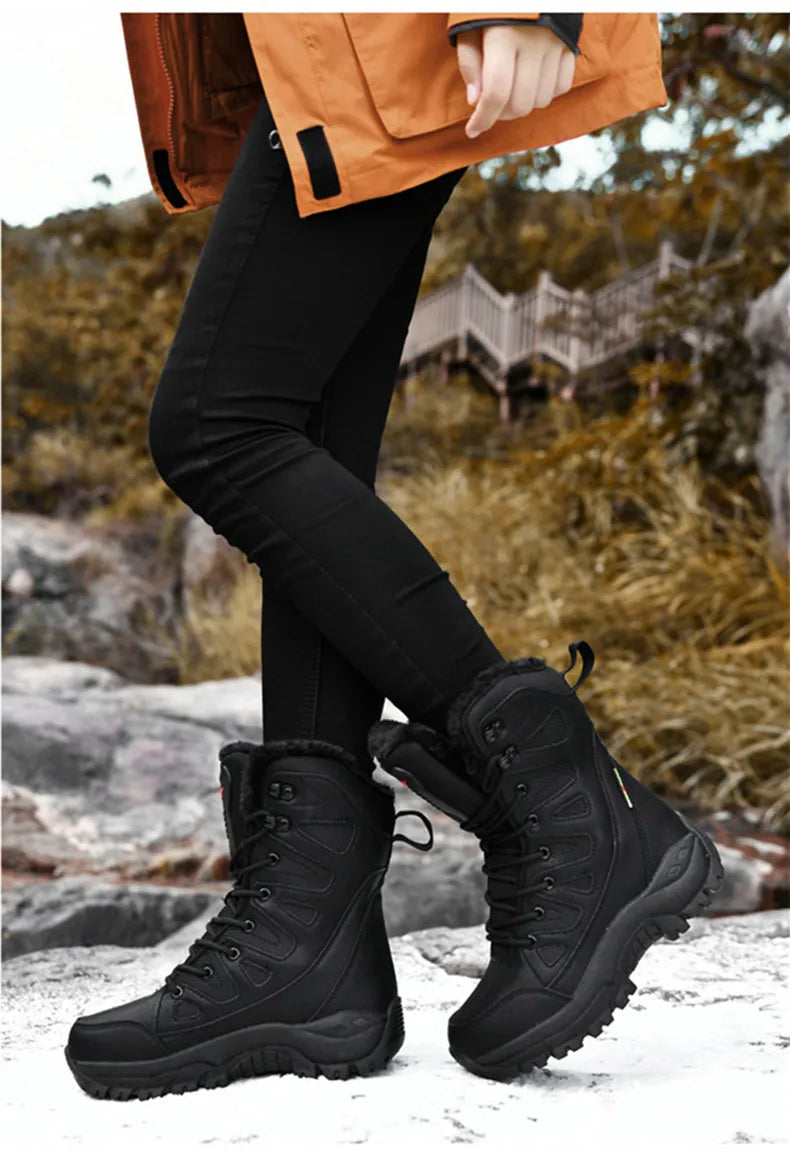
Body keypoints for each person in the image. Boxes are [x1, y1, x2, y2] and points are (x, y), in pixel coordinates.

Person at [64, 13, 722, 1098]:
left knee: (219, 428)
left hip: (382, 28)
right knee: (302, 434)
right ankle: (309, 946)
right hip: (308, 45)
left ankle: (578, 816)